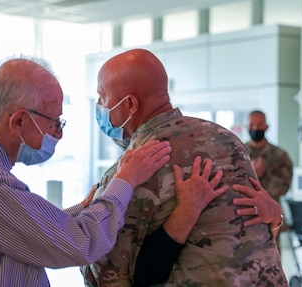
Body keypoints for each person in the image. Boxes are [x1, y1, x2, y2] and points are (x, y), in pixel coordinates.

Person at [0, 56, 223, 286]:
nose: (58, 135)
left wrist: (83, 208)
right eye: (54, 122)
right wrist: (125, 180)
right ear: (19, 121)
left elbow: (18, 227)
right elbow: (82, 245)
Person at [81, 49, 287, 286]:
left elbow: (104, 271)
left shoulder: (134, 170)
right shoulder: (227, 140)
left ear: (130, 105)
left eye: (102, 97)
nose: (99, 106)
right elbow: (253, 229)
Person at [245, 110, 293, 249]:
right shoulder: (238, 152)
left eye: (259, 124)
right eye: (251, 125)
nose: (255, 129)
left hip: (271, 220)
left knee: (272, 265)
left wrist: (262, 175)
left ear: (266, 127)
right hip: (243, 219)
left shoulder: (279, 155)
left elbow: (283, 188)